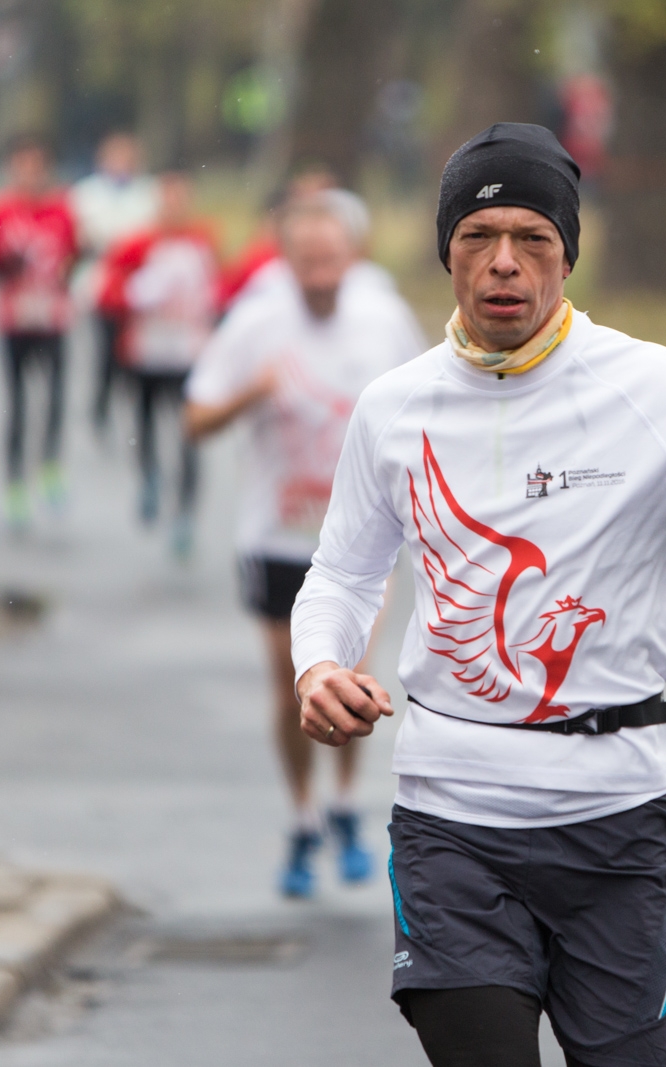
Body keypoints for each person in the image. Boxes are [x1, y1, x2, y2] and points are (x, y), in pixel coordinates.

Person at [291, 123, 666, 1067]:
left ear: (568, 256)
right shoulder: (394, 407)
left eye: (533, 238)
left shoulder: (659, 389)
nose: (504, 263)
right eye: (478, 238)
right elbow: (345, 573)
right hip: (452, 818)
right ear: (447, 252)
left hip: (620, 821)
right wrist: (319, 663)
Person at [185, 187, 425, 899]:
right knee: (291, 687)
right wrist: (249, 395)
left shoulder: (384, 319)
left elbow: (433, 404)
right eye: (306, 261)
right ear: (284, 258)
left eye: (331, 260)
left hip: (364, 538)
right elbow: (194, 420)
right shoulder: (255, 322)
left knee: (352, 674)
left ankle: (345, 805)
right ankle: (302, 815)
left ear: (353, 256)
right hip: (277, 539)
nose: (320, 274)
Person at [98, 172, 220, 558]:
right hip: (146, 353)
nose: (174, 209)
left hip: (189, 355)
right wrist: (137, 294)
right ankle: (150, 480)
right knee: (145, 424)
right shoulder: (137, 244)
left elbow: (221, 289)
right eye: (167, 201)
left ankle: (185, 514)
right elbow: (108, 291)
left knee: (190, 435)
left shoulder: (203, 241)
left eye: (180, 201)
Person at [0, 135, 79, 531]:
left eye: (37, 167)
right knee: (16, 406)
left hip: (51, 317)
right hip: (14, 320)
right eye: (23, 166)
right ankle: (15, 485)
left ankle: (50, 467)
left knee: (54, 399)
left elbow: (75, 256)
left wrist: (67, 272)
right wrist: (6, 263)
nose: (30, 174)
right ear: (12, 169)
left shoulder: (62, 210)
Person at [72, 132, 159, 435]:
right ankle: (101, 403)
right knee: (106, 349)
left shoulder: (148, 194)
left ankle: (133, 406)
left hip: (138, 286)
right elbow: (81, 238)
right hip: (101, 284)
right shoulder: (86, 194)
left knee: (135, 352)